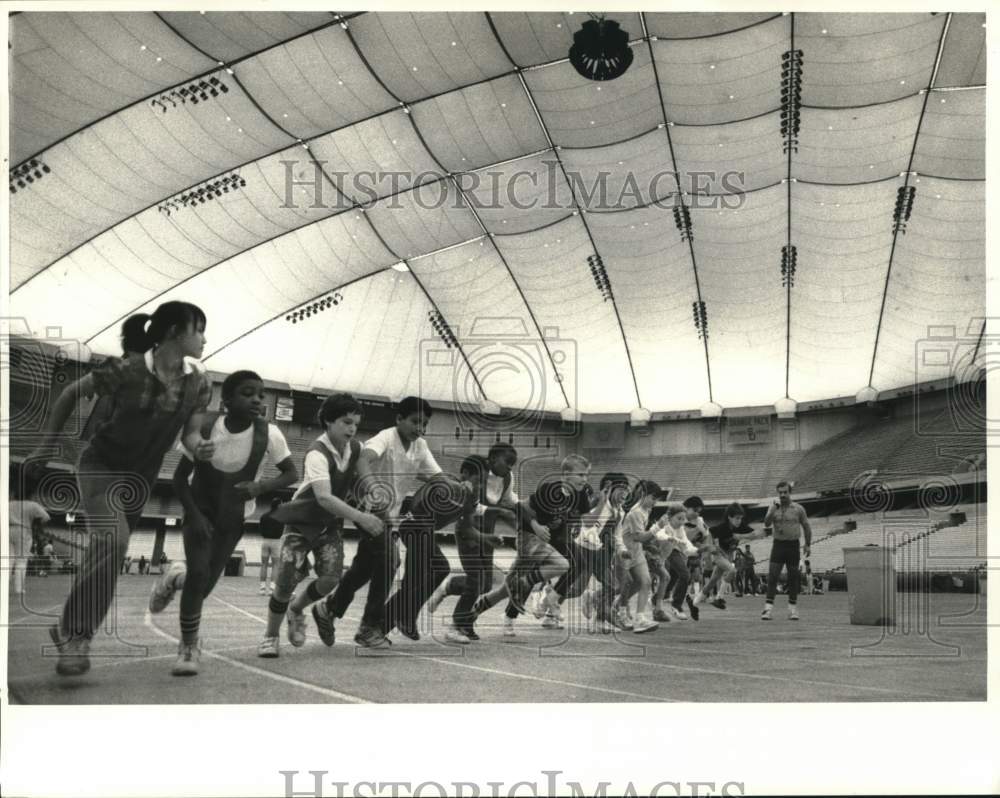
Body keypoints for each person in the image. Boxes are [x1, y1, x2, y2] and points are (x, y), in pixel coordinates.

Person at [28, 301, 214, 676]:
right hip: (101, 466)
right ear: (175, 332)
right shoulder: (125, 371)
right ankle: (78, 636)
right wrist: (46, 446)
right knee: (114, 541)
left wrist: (200, 448)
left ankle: (67, 628)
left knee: (109, 549)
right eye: (199, 330)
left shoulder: (199, 382)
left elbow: (191, 434)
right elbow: (68, 395)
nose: (204, 339)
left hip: (142, 478)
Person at [147, 370, 298, 674]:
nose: (256, 399)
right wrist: (194, 515)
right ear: (226, 399)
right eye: (247, 393)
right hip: (199, 509)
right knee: (199, 573)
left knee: (202, 586)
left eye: (261, 394)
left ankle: (175, 577)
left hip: (234, 516)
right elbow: (179, 479)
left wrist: (260, 487)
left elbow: (292, 473)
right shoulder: (205, 427)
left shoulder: (270, 434)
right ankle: (188, 647)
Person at [256, 393, 383, 658]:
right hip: (302, 523)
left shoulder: (355, 448)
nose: (352, 428)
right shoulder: (317, 453)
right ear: (328, 421)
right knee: (284, 584)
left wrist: (371, 489)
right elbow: (324, 497)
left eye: (356, 424)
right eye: (346, 422)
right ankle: (270, 636)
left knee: (331, 579)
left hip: (329, 524)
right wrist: (362, 517)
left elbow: (361, 472)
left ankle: (296, 609)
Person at [320, 396, 441, 648]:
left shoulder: (420, 446)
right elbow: (362, 460)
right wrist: (374, 488)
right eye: (415, 421)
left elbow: (438, 477)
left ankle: (329, 608)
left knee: (364, 568)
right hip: (368, 507)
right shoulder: (386, 437)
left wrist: (459, 487)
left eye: (425, 424)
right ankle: (368, 627)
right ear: (399, 419)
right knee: (390, 559)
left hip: (390, 515)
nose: (420, 428)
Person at [474, 454, 590, 637]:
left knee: (578, 562)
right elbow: (521, 508)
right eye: (581, 475)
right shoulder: (549, 490)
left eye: (586, 475)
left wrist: (575, 527)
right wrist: (536, 525)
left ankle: (551, 598)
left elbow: (580, 516)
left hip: (555, 540)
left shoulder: (581, 493)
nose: (585, 479)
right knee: (510, 587)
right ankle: (496, 615)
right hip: (531, 536)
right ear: (566, 475)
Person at [381, 459, 486, 643]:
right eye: (478, 480)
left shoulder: (470, 497)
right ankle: (397, 619)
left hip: (424, 531)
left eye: (484, 482)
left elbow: (469, 524)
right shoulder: (448, 484)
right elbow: (421, 497)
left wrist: (487, 537)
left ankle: (383, 625)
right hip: (413, 526)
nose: (481, 486)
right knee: (438, 568)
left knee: (414, 583)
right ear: (465, 474)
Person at [425, 444, 518, 641]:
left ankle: (448, 587)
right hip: (468, 531)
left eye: (513, 464)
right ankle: (456, 626)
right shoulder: (476, 474)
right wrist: (500, 511)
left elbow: (509, 502)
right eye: (507, 462)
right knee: (476, 580)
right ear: (493, 459)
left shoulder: (508, 478)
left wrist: (523, 518)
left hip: (487, 533)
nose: (510, 467)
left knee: (485, 585)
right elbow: (473, 505)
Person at [615, 480, 663, 633]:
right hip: (624, 552)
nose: (655, 502)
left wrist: (651, 546)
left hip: (636, 551)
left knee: (645, 582)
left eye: (657, 499)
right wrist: (658, 527)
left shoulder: (646, 510)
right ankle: (618, 610)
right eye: (653, 498)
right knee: (625, 584)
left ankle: (640, 618)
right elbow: (639, 537)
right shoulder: (635, 512)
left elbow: (642, 538)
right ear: (643, 495)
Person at [694, 503, 763, 609]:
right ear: (729, 517)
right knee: (732, 570)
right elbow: (708, 533)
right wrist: (710, 548)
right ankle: (719, 598)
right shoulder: (722, 528)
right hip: (719, 554)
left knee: (713, 580)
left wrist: (741, 536)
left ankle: (696, 601)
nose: (739, 521)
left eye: (741, 518)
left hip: (729, 554)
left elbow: (754, 534)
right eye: (737, 518)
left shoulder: (741, 526)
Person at [761, 481, 813, 621]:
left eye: (785, 492)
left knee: (793, 577)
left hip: (793, 545)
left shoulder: (798, 508)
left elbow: (806, 526)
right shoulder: (773, 507)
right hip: (778, 545)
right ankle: (767, 609)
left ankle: (792, 609)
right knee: (773, 577)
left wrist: (808, 544)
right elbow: (766, 523)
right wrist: (772, 510)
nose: (783, 495)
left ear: (790, 492)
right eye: (780, 492)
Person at [8, 465, 50, 598]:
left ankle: (4, 585)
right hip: (23, 531)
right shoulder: (32, 505)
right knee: (21, 561)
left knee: (8, 560)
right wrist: (34, 521)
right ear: (29, 494)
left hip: (8, 530)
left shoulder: (9, 504)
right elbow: (46, 517)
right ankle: (19, 589)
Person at [258, 497, 284, 595]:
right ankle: (272, 588)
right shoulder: (282, 517)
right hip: (276, 542)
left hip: (265, 541)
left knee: (264, 564)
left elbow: (260, 530)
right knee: (275, 565)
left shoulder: (264, 516)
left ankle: (262, 588)